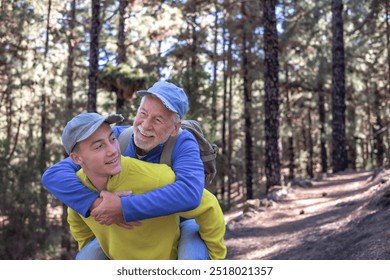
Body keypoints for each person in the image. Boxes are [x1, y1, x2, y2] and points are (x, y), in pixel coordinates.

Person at [41, 81, 210, 259]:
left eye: (158, 119)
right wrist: (96, 203)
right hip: (130, 229)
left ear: (175, 128)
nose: (145, 125)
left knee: (192, 259)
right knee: (85, 259)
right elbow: (54, 175)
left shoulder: (184, 143)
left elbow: (190, 193)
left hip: (181, 224)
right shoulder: (117, 138)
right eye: (143, 113)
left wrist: (124, 208)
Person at [60, 112, 226, 259]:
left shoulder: (156, 176)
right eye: (99, 146)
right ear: (77, 159)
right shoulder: (77, 190)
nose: (112, 150)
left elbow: (209, 205)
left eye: (112, 139)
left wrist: (217, 260)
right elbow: (80, 228)